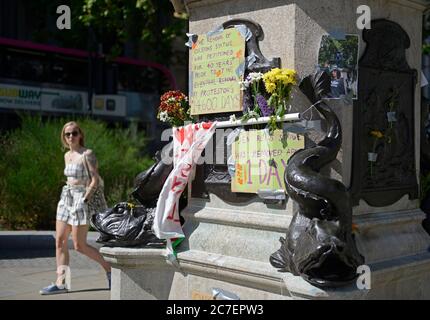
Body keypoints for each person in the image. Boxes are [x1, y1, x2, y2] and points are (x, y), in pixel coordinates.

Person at [40, 121, 111, 295]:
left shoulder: (87, 154)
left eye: (74, 133)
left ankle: (110, 269)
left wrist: (85, 199)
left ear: (80, 135)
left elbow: (95, 179)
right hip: (66, 198)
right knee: (60, 241)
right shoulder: (66, 155)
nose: (71, 137)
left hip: (81, 198)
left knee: (79, 245)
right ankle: (61, 282)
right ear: (64, 137)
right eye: (67, 134)